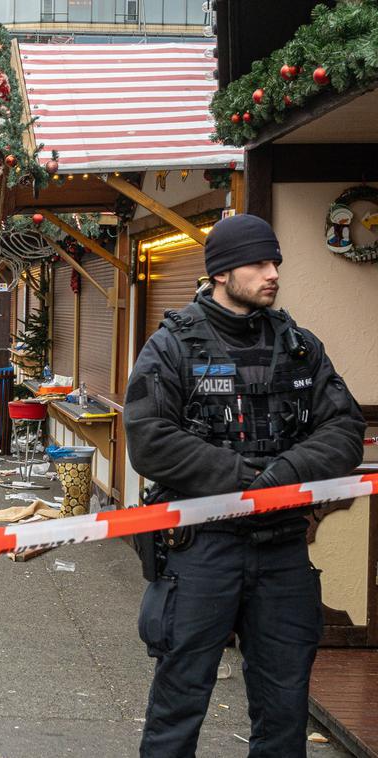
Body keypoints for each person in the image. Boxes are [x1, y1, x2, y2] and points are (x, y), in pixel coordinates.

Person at [124, 213, 365, 757]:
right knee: (178, 704)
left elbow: (345, 429)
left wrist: (283, 475)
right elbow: (150, 440)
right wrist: (243, 478)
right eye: (258, 262)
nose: (272, 272)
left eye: (275, 261)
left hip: (282, 550)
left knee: (285, 708)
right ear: (221, 271)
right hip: (202, 549)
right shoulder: (173, 347)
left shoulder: (300, 346)